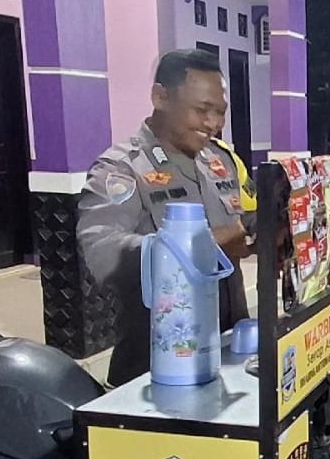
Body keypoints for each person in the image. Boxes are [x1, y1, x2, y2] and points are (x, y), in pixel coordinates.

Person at [77, 48, 254, 387]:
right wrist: (203, 244)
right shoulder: (121, 168)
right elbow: (100, 253)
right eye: (201, 110)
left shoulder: (219, 161)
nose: (213, 124)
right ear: (160, 97)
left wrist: (266, 235)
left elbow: (240, 231)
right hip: (155, 369)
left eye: (220, 112)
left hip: (227, 353)